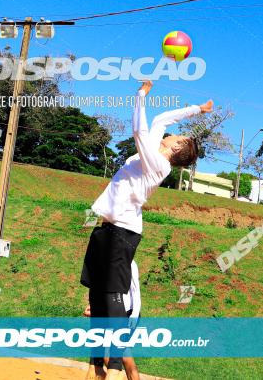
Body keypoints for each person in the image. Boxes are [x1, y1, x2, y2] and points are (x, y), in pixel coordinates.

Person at [81, 80, 212, 377]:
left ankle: (113, 367)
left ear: (176, 147)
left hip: (123, 232)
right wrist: (198, 110)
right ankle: (96, 367)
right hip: (106, 229)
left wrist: (141, 95)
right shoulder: (154, 150)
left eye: (177, 137)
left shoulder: (158, 165)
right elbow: (161, 120)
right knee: (96, 295)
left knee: (113, 298)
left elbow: (140, 129)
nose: (172, 134)